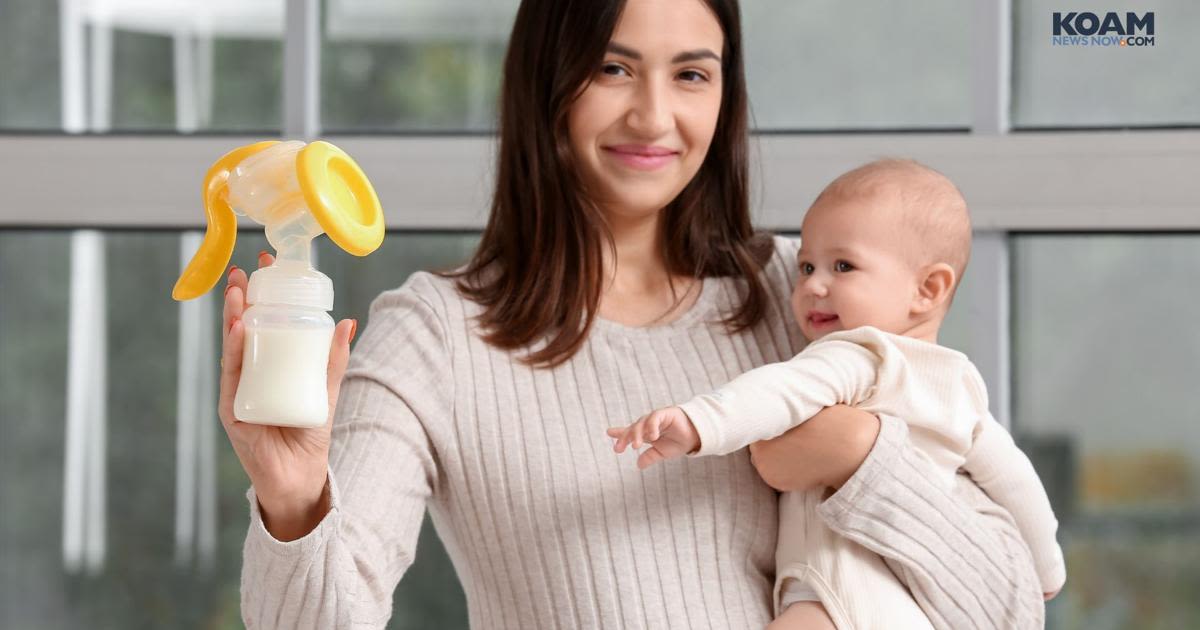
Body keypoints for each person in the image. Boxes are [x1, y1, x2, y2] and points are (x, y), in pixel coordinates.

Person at [219, 0, 1046, 628]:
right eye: (614, 69)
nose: (655, 117)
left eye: (691, 74)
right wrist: (294, 503)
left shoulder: (806, 298)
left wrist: (864, 455)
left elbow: (1013, 599)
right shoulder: (437, 335)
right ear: (549, 80)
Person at [610, 159, 1065, 629]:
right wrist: (1047, 567)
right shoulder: (960, 386)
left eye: (842, 266)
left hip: (839, 594)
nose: (812, 285)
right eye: (806, 266)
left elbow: (778, 392)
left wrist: (698, 423)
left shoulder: (858, 356)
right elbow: (1014, 481)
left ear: (928, 288)